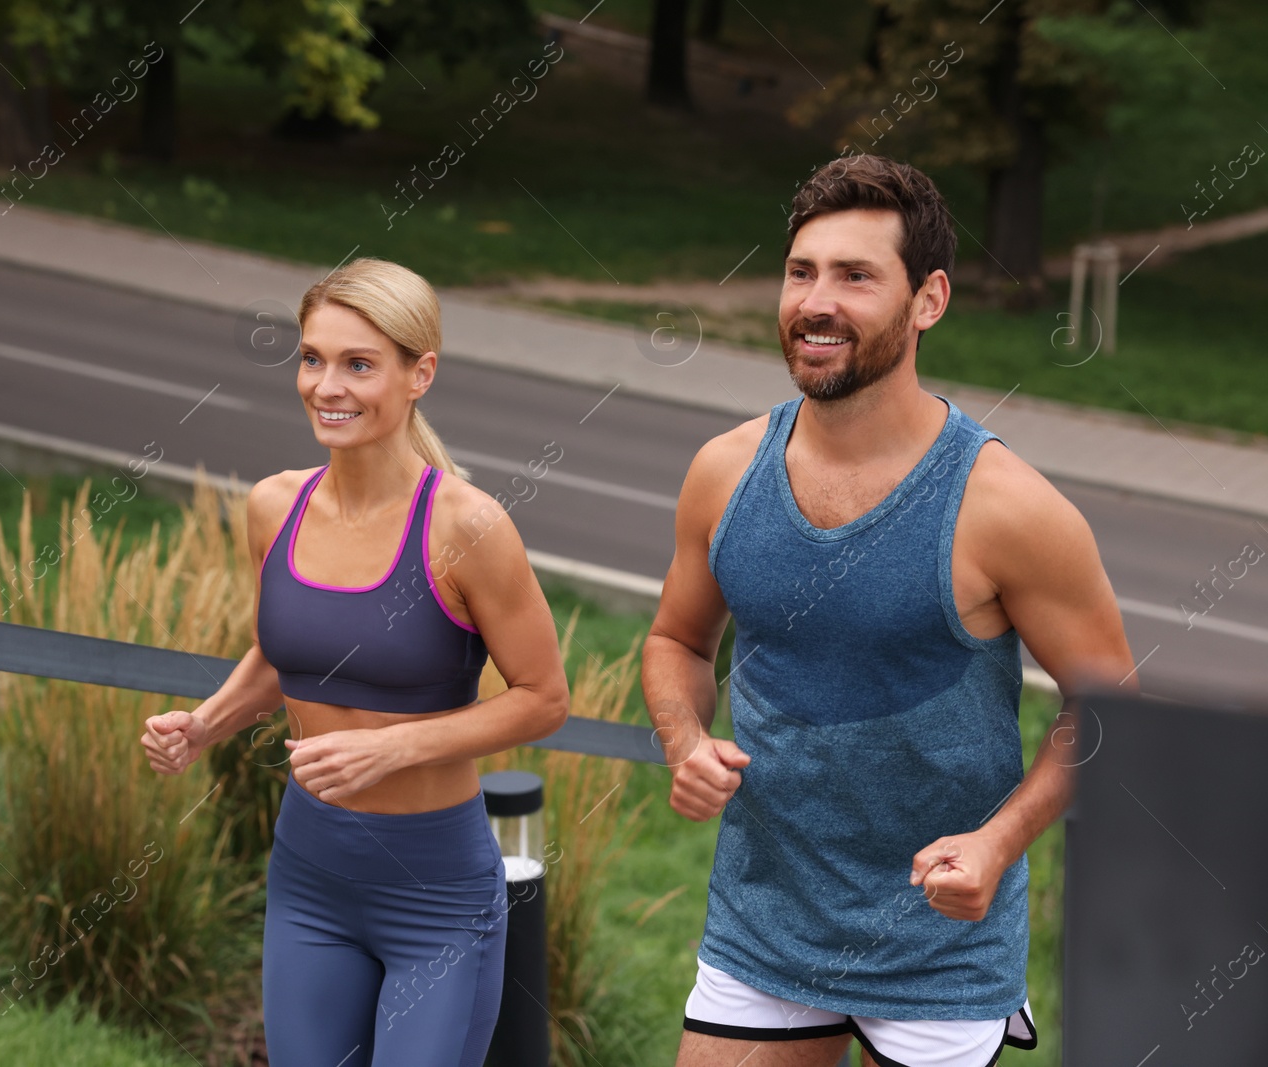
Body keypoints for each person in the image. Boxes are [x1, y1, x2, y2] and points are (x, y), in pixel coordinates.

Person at [642, 154, 1138, 1067]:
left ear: (929, 300)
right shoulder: (724, 471)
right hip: (764, 925)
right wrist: (683, 740)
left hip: (938, 949)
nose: (815, 302)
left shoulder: (1008, 508)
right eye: (801, 272)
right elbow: (677, 640)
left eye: (856, 276)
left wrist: (998, 842)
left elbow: (1110, 703)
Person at [139, 256, 569, 1066]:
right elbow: (282, 655)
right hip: (311, 875)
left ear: (420, 374)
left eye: (358, 364)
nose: (325, 385)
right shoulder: (274, 505)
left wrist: (393, 744)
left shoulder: (467, 527)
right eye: (312, 358)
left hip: (435, 893)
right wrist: (203, 725)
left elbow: (543, 697)